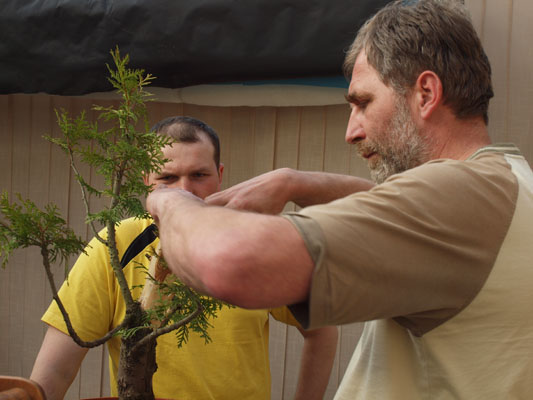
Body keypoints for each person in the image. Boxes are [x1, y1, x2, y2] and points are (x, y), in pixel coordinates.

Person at [145, 1, 533, 399]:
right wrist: (295, 183)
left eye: (363, 103)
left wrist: (171, 201)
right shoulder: (508, 184)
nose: (351, 132)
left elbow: (231, 263)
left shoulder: (461, 197)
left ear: (426, 93)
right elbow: (406, 213)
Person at [30, 116, 338, 400]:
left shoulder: (253, 240)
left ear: (219, 175)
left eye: (198, 175)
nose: (184, 192)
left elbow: (321, 330)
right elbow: (57, 368)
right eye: (167, 177)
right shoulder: (116, 245)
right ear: (146, 179)